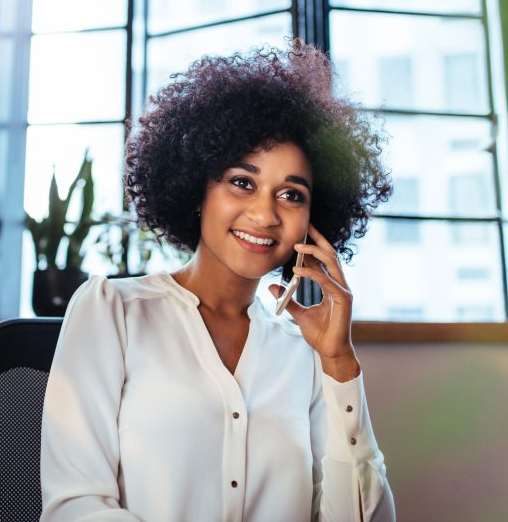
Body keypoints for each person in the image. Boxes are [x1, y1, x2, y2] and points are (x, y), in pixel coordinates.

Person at [40, 39, 396, 521]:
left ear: (314, 219)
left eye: (291, 194)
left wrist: (338, 362)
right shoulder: (113, 312)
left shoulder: (309, 357)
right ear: (196, 188)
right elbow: (75, 508)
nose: (265, 213)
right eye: (243, 182)